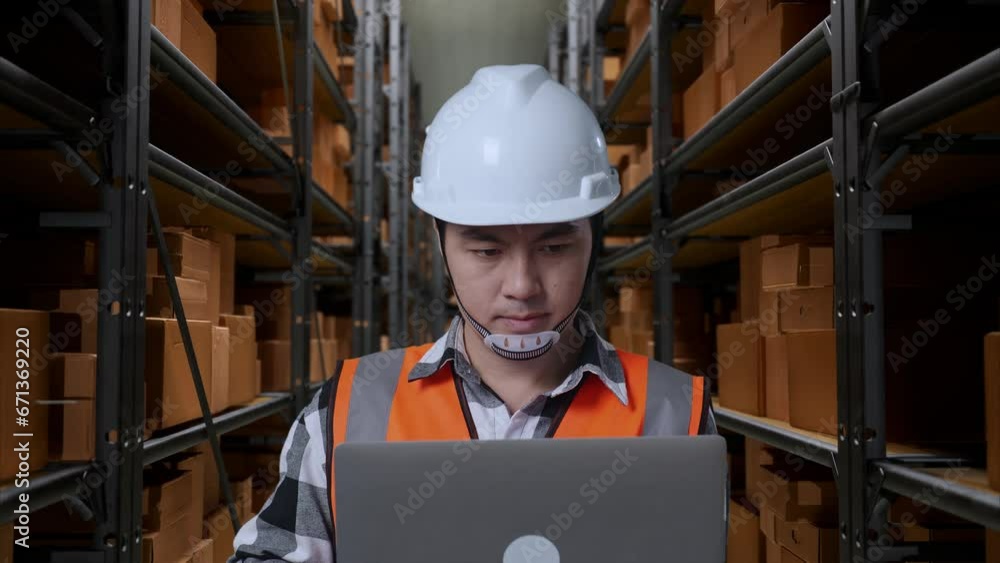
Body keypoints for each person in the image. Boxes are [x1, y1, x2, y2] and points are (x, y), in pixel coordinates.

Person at [229, 64, 716, 563]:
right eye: (487, 251)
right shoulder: (349, 409)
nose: (522, 287)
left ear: (592, 242)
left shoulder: (676, 413)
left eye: (554, 247)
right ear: (442, 247)